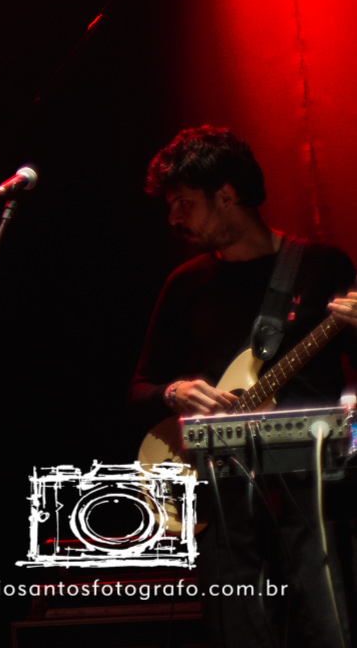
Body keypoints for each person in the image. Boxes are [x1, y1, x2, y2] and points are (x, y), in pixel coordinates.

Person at [130, 125, 357, 648]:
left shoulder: (322, 266)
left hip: (314, 486)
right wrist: (173, 394)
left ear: (227, 195)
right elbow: (138, 390)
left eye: (184, 203)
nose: (173, 218)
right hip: (221, 492)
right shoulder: (185, 284)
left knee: (328, 630)